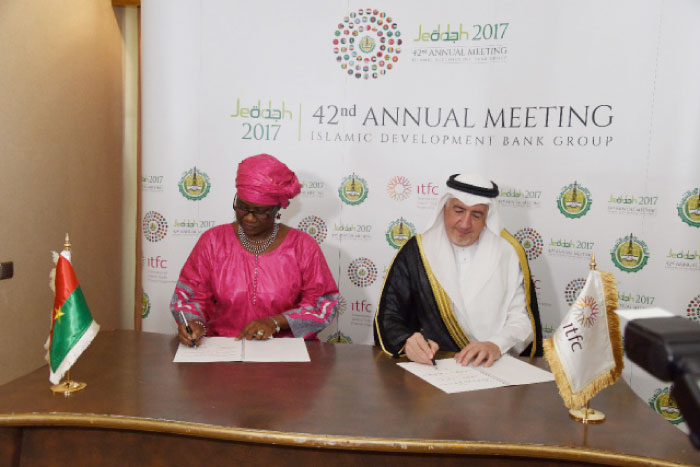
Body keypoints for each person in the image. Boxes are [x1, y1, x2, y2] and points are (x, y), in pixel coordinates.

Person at [374, 173, 542, 367]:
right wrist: (406, 341)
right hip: (434, 367)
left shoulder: (508, 253)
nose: (465, 223)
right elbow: (389, 315)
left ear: (487, 217)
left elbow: (522, 320)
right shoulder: (417, 251)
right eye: (459, 210)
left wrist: (495, 344)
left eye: (476, 215)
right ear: (444, 209)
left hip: (493, 365)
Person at [170, 154, 339, 346]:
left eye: (260, 211)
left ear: (278, 209)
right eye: (242, 207)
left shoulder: (302, 246)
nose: (249, 218)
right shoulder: (213, 241)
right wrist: (195, 323)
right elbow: (191, 296)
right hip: (224, 349)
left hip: (285, 352)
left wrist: (275, 322)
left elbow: (322, 305)